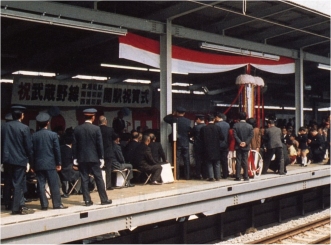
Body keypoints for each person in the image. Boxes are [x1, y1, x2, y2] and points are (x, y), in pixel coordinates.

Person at [73, 108, 111, 206]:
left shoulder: (77, 129)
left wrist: (75, 158)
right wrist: (101, 157)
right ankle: (104, 199)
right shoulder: (96, 129)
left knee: (84, 179)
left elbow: (75, 144)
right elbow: (99, 144)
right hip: (94, 157)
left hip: (82, 158)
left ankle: (87, 200)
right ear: (93, 117)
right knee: (98, 178)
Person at [1, 105, 34, 215]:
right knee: (18, 183)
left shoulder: (4, 127)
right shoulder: (24, 128)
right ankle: (16, 208)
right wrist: (31, 160)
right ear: (22, 116)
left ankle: (6, 203)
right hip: (19, 159)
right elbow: (28, 146)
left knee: (7, 181)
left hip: (6, 159)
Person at [31, 112, 67, 210]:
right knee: (54, 184)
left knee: (41, 185)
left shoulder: (34, 136)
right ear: (48, 123)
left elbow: (32, 151)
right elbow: (57, 150)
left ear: (38, 124)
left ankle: (44, 204)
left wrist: (32, 165)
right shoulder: (53, 135)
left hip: (38, 164)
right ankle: (57, 204)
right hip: (50, 163)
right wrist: (59, 163)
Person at [164, 107, 192, 180]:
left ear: (177, 112)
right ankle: (187, 176)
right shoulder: (188, 121)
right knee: (186, 159)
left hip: (176, 141)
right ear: (184, 113)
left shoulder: (174, 119)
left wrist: (172, 114)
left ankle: (177, 176)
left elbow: (165, 118)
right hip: (185, 142)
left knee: (176, 159)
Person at [200, 114, 225, 181]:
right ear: (214, 120)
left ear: (206, 120)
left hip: (207, 147)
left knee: (209, 162)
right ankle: (218, 176)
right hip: (216, 147)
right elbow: (222, 137)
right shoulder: (218, 128)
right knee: (217, 162)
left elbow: (201, 138)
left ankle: (211, 177)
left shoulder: (204, 128)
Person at [233, 112, 254, 181]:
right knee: (245, 160)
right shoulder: (250, 126)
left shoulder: (235, 126)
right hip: (246, 146)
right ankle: (246, 176)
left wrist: (240, 142)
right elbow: (251, 136)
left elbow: (235, 135)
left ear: (238, 118)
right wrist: (246, 142)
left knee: (238, 160)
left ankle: (238, 176)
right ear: (246, 117)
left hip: (238, 146)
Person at [99, 115, 115, 190]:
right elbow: (115, 137)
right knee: (108, 169)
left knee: (98, 169)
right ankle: (108, 185)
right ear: (106, 121)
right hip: (108, 152)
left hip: (99, 152)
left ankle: (98, 185)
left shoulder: (97, 129)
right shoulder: (110, 130)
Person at [215, 112, 230, 179]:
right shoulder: (227, 125)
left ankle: (218, 174)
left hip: (218, 145)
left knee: (217, 160)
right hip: (225, 144)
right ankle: (225, 174)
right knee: (224, 160)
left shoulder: (216, 125)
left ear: (218, 117)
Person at [192, 114, 206, 179]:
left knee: (198, 161)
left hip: (197, 146)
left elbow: (191, 135)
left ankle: (198, 175)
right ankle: (204, 174)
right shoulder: (206, 126)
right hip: (205, 146)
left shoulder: (196, 127)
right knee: (205, 161)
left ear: (198, 119)